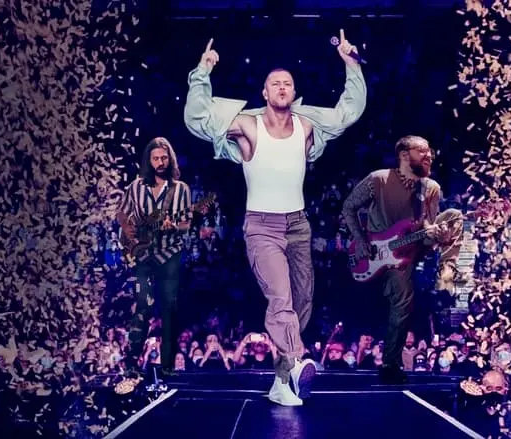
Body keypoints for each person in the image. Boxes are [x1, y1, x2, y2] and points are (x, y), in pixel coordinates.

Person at [183, 30, 367, 406]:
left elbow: (347, 113)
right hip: (262, 227)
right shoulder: (247, 126)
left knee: (302, 303)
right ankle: (297, 362)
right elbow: (198, 118)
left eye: (287, 83)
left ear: (293, 92)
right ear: (265, 93)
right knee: (280, 299)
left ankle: (281, 383)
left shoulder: (306, 126)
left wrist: (351, 65)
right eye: (275, 83)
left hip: (298, 225)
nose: (282, 87)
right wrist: (202, 73)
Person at [341, 135, 463, 384]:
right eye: (423, 152)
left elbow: (427, 224)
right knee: (401, 300)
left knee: (454, 216)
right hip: (376, 252)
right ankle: (389, 363)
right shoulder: (378, 179)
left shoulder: (431, 188)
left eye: (430, 152)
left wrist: (436, 235)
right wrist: (360, 240)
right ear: (404, 155)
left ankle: (447, 269)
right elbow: (348, 207)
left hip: (410, 249)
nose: (429, 156)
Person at [116, 137, 193, 375]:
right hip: (143, 256)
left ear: (170, 159)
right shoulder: (135, 187)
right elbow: (122, 214)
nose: (160, 162)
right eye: (156, 158)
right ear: (148, 161)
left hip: (169, 254)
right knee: (143, 307)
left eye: (164, 158)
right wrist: (130, 236)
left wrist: (174, 226)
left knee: (169, 308)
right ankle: (131, 364)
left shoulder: (180, 189)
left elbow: (186, 223)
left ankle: (168, 365)